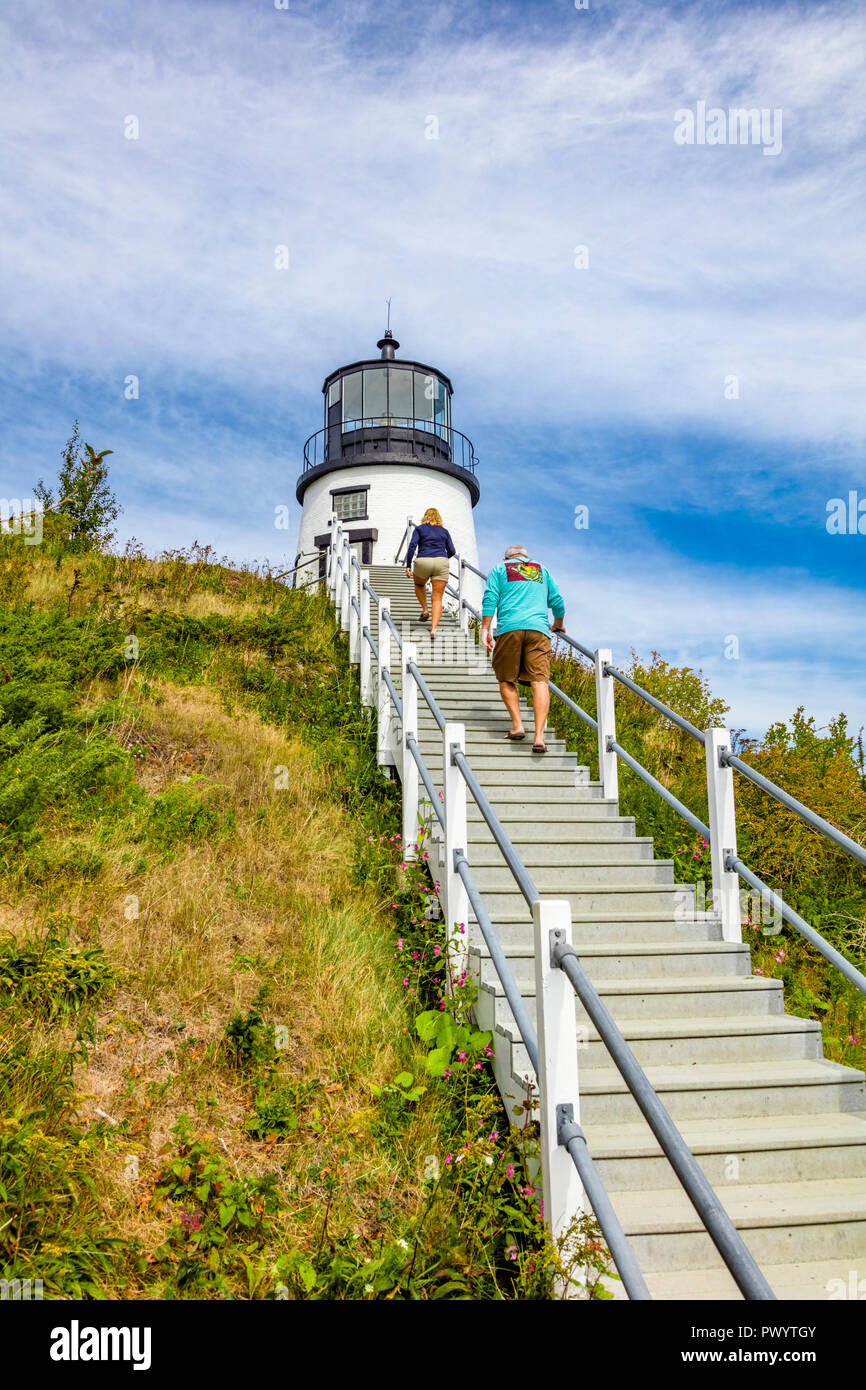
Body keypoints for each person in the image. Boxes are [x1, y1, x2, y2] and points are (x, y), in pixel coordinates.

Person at [480, 545, 566, 753]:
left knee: (506, 678)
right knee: (540, 681)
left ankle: (518, 725)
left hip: (510, 628)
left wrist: (485, 628)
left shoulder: (500, 569)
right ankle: (539, 738)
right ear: (526, 558)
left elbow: (490, 597)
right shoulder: (541, 570)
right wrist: (558, 623)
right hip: (538, 630)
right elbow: (557, 600)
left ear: (506, 558)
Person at [405, 507, 456, 639]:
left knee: (419, 585)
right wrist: (442, 558)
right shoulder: (444, 532)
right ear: (439, 518)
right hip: (441, 561)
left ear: (425, 517)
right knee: (437, 598)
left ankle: (425, 610)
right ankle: (433, 629)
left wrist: (408, 565)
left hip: (423, 560)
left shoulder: (420, 529)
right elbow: (452, 551)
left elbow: (412, 545)